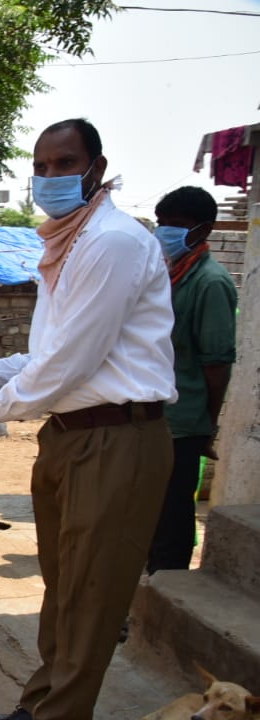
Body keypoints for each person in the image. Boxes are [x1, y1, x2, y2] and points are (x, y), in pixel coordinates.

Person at [0, 119, 175, 720]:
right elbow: (46, 357)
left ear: (96, 167)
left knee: (93, 595)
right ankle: (43, 703)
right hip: (72, 436)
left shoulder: (112, 243)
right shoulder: (66, 246)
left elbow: (70, 362)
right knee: (63, 587)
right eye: (41, 165)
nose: (50, 176)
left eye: (64, 162)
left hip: (118, 437)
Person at [147, 187, 237, 573]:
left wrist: (208, 424)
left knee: (172, 515)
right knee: (148, 511)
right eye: (161, 223)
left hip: (183, 423)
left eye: (176, 226)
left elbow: (216, 364)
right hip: (152, 416)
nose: (165, 232)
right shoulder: (165, 274)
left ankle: (167, 589)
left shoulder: (209, 282)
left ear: (204, 230)